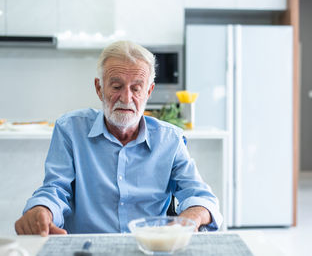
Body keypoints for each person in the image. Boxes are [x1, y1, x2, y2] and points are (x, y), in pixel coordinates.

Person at [14, 40, 222, 236]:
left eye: (136, 88)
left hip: (149, 248)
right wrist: (42, 209)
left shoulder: (170, 140)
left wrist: (189, 219)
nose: (126, 98)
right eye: (116, 87)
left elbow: (202, 197)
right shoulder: (70, 129)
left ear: (148, 91)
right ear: (99, 88)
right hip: (87, 249)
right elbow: (56, 189)